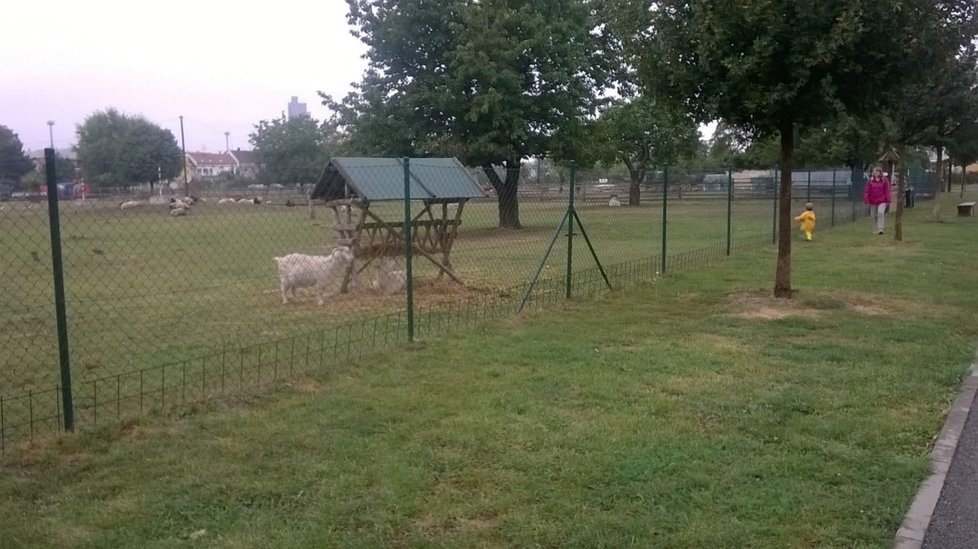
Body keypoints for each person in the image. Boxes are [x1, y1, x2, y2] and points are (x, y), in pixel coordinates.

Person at [864, 166, 892, 234]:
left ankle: (880, 229)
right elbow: (867, 191)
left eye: (877, 172)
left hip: (882, 200)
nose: (876, 173)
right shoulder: (870, 181)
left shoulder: (884, 180)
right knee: (873, 215)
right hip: (873, 200)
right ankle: (875, 228)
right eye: (875, 172)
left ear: (880, 172)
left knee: (880, 212)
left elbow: (887, 190)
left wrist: (888, 199)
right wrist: (866, 199)